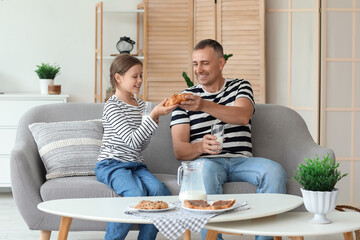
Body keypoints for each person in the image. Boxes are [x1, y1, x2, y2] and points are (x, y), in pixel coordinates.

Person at [170, 39, 287, 240]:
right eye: (195, 64)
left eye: (205, 63)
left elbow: (242, 115)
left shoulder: (240, 86)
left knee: (274, 170)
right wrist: (200, 146)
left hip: (243, 161)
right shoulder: (185, 98)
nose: (199, 70)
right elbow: (179, 150)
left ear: (221, 63)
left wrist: (204, 105)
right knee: (204, 170)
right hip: (208, 162)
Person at [95, 54, 177, 240]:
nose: (140, 80)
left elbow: (140, 146)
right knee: (135, 193)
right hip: (111, 164)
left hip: (135, 164)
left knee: (160, 192)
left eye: (141, 76)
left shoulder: (141, 105)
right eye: (135, 76)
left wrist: (153, 118)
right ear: (118, 78)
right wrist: (152, 116)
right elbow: (131, 141)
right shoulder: (112, 106)